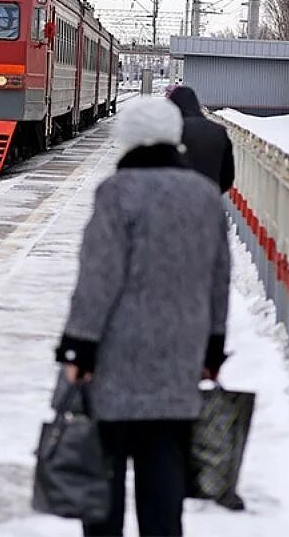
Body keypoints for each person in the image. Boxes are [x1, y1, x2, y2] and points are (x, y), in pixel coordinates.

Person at [53, 97, 231, 537]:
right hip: (179, 355)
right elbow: (219, 279)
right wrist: (213, 345)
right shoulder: (206, 196)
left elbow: (98, 278)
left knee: (105, 480)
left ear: (126, 139)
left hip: (115, 359)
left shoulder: (117, 193)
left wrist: (79, 346)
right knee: (163, 471)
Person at [167, 86, 235, 194]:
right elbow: (227, 176)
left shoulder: (169, 130)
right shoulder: (218, 131)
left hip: (173, 197)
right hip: (208, 198)